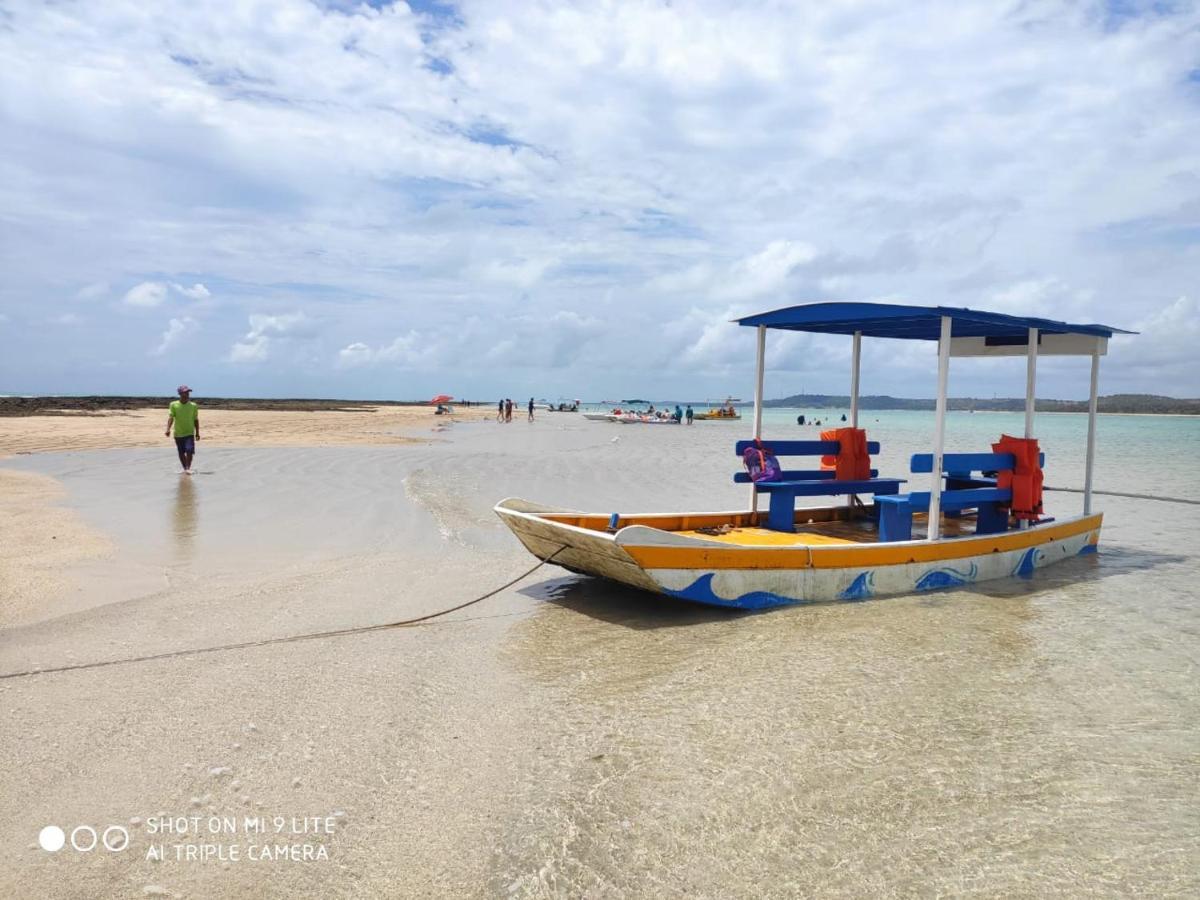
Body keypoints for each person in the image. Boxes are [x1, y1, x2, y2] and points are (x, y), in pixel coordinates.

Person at [164, 385, 199, 474]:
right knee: (181, 452)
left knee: (189, 450)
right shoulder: (173, 404)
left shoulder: (193, 405)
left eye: (188, 392)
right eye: (185, 392)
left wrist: (197, 433)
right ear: (180, 393)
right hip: (178, 433)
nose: (187, 394)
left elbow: (195, 419)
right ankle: (185, 468)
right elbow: (171, 417)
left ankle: (188, 468)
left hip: (189, 433)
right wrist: (168, 429)